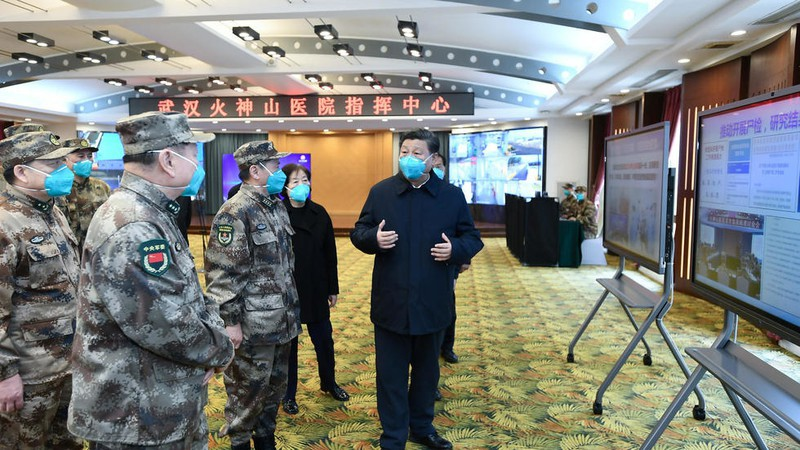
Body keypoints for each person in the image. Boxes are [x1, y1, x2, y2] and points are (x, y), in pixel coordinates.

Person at [68, 111, 235, 449]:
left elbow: (187, 293)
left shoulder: (151, 212)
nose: (197, 164)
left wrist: (211, 340)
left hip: (160, 400)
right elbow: (163, 322)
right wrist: (219, 349)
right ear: (168, 161)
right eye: (193, 154)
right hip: (138, 414)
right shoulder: (134, 224)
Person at [351, 129, 484, 450]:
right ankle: (394, 436)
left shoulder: (451, 196)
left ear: (433, 159)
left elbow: (472, 238)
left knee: (427, 374)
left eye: (416, 153)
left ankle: (422, 428)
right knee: (391, 377)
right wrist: (373, 239)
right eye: (404, 152)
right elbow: (359, 232)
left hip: (432, 301)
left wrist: (455, 250)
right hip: (391, 302)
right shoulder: (381, 192)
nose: (408, 158)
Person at [205, 141, 300, 450]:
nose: (279, 172)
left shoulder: (276, 205)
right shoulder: (234, 212)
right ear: (256, 171)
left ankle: (266, 440)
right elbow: (222, 275)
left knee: (273, 394)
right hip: (251, 328)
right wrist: (230, 323)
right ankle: (240, 442)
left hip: (281, 322)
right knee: (246, 396)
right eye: (275, 166)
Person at [0, 129, 83, 450]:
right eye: (53, 165)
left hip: (67, 363)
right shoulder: (5, 222)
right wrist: (5, 375)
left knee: (68, 442)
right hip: (28, 373)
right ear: (21, 172)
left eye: (63, 162)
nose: (64, 170)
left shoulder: (52, 211)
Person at [279, 163, 348, 416]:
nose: (301, 185)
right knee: (289, 348)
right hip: (289, 290)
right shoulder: (278, 214)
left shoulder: (320, 213)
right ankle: (288, 394)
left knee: (324, 342)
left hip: (316, 287)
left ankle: (329, 383)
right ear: (285, 187)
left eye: (305, 180)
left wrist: (333, 288)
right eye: (295, 181)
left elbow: (330, 254)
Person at [59, 138, 112, 252]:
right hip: (70, 252)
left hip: (98, 249)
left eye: (89, 156)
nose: (87, 160)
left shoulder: (102, 187)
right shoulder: (58, 190)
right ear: (64, 160)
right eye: (81, 156)